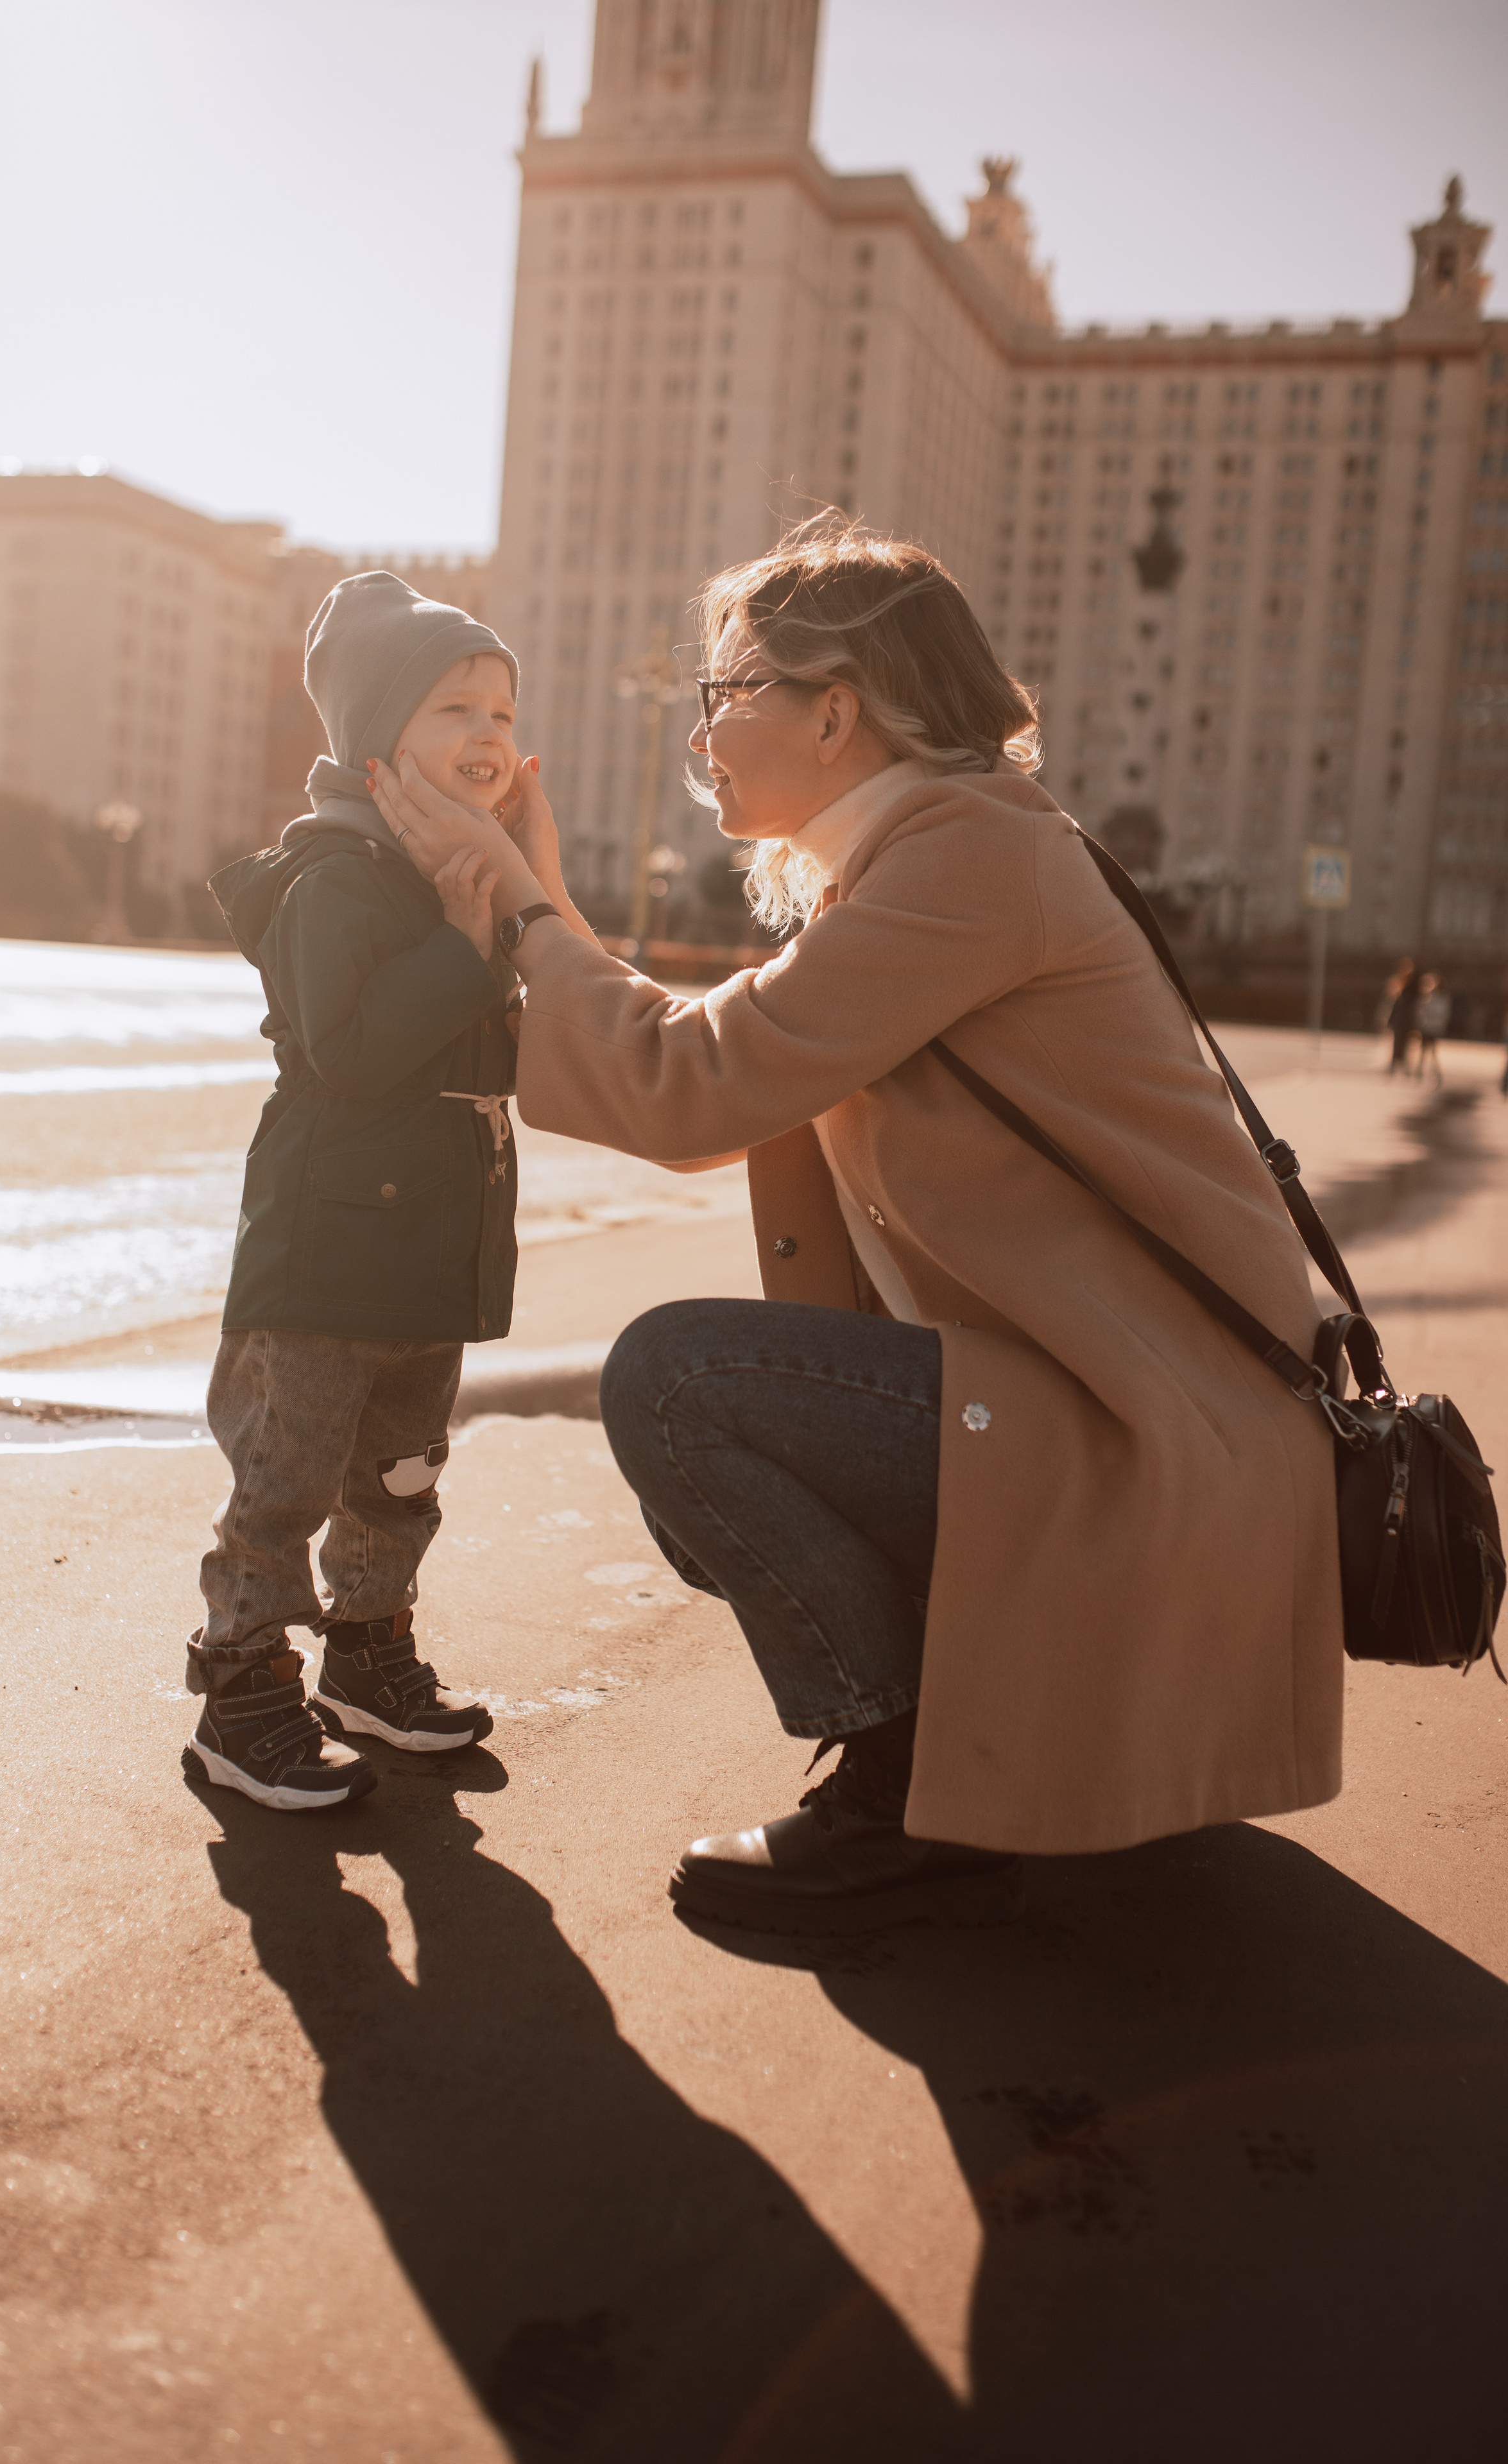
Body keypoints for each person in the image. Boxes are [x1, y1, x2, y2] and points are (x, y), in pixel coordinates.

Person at [368, 515, 1344, 1937]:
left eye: (725, 692)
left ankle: (909, 1791)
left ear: (835, 710)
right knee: (723, 1433)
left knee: (681, 1386)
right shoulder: (936, 850)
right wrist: (540, 900)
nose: (701, 730)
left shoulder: (964, 861)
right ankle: (987, 1734)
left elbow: (690, 1086)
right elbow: (705, 1046)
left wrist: (520, 907)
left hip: (1145, 1426)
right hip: (1120, 1402)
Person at [185, 573, 554, 1811]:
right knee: (283, 1486)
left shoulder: (466, 876)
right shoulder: (335, 876)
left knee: (401, 1480)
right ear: (377, 741)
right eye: (459, 708)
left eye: (504, 711)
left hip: (430, 1260)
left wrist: (508, 912)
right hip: (325, 1264)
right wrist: (460, 946)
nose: (492, 735)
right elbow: (348, 1053)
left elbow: (514, 1057)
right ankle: (240, 1689)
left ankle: (369, 1655)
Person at [1412, 971, 1451, 1082]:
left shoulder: (1440, 999)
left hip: (1433, 1028)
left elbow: (1442, 1014)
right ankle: (1421, 1072)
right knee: (1424, 1051)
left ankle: (1430, 1072)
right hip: (1427, 1027)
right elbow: (1420, 1012)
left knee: (1430, 1051)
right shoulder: (1428, 998)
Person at [1382, 959, 1418, 1074]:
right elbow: (1391, 1004)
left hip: (1407, 1019)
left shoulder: (1414, 987)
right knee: (1394, 1044)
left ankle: (1404, 1067)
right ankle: (1392, 1066)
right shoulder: (1397, 984)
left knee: (1406, 1045)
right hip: (1398, 1019)